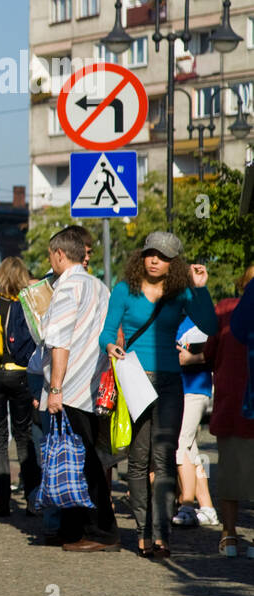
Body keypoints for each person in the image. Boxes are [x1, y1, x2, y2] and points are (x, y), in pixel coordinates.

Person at [100, 232, 216, 558]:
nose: (154, 260)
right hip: (136, 377)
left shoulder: (181, 293)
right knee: (138, 459)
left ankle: (162, 533)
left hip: (169, 382)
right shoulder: (125, 290)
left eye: (162, 257)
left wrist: (200, 286)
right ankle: (142, 532)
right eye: (150, 253)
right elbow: (108, 331)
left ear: (173, 262)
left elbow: (209, 324)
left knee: (164, 458)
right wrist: (111, 345)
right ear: (142, 256)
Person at [42, 226, 116, 551]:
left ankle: (99, 531)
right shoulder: (99, 286)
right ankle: (73, 529)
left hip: (70, 385)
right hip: (95, 383)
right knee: (82, 457)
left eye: (50, 255)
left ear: (59, 254)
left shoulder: (67, 287)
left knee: (80, 461)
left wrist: (54, 389)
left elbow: (59, 342)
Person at [0, 256, 40, 517]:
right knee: (24, 437)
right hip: (22, 375)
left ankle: (2, 501)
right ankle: (31, 497)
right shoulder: (29, 303)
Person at [205, 264, 254, 558]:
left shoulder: (225, 309)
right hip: (237, 404)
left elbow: (211, 352)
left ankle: (229, 534)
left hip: (232, 403)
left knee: (230, 474)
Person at [174, 315, 218, 527]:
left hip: (195, 389)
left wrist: (192, 358)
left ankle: (187, 506)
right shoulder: (171, 314)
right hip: (179, 389)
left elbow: (213, 353)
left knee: (180, 444)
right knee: (190, 448)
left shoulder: (200, 317)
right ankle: (208, 508)